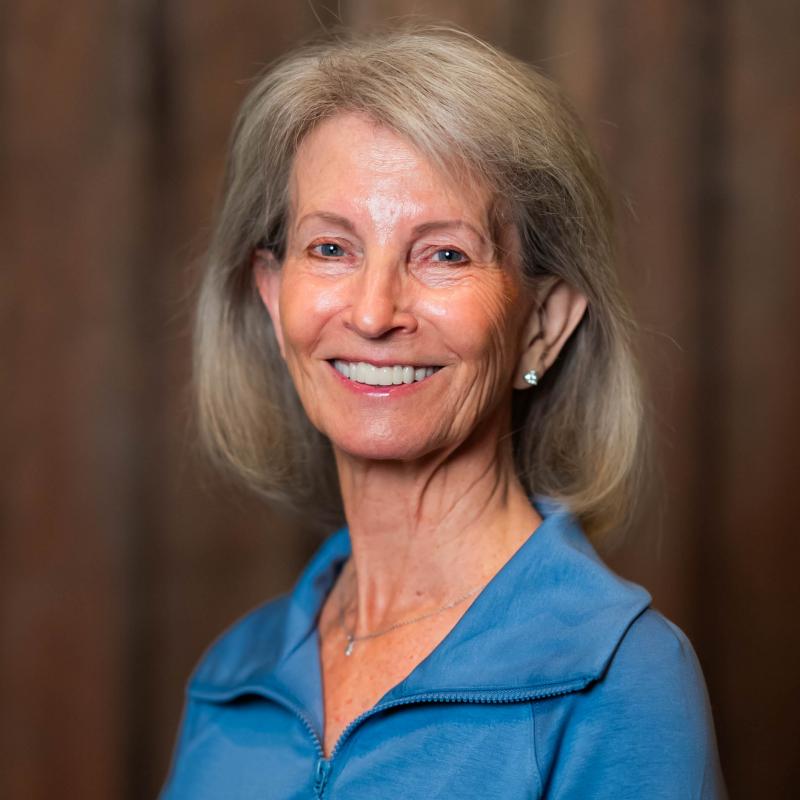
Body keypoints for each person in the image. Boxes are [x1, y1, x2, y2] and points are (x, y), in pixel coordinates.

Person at [161, 26, 726, 799]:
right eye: (331, 249)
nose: (373, 312)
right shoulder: (233, 681)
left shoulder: (618, 679)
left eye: (445, 254)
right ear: (272, 293)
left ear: (543, 323)